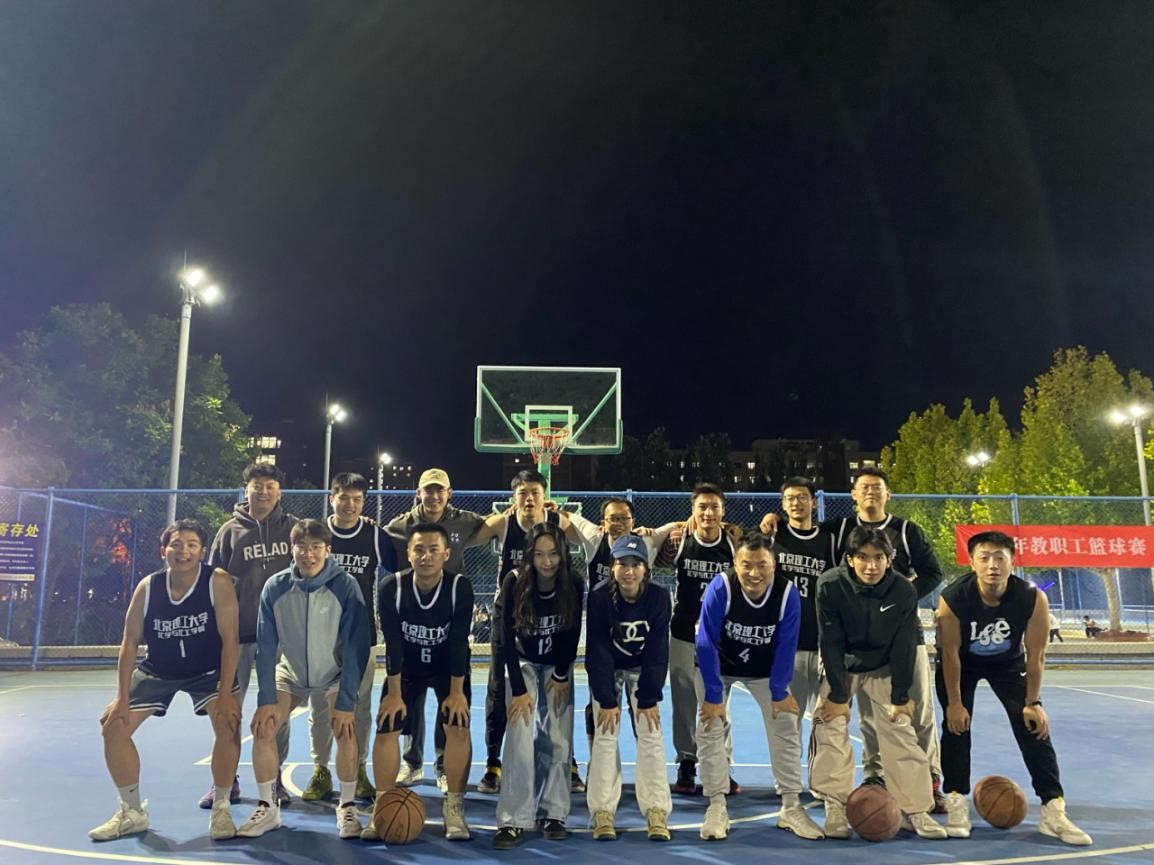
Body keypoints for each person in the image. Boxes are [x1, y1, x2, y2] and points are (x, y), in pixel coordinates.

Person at [89, 520, 242, 841]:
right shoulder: (148, 587)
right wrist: (121, 698)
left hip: (208, 670)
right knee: (113, 726)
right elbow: (129, 642)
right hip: (159, 669)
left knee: (228, 723)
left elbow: (231, 639)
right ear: (164, 551)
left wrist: (226, 694)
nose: (183, 551)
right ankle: (132, 812)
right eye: (176, 544)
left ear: (202, 551)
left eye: (191, 545)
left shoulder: (217, 581)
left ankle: (222, 808)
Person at [936, 531, 1092, 845]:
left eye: (1000, 557)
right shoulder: (953, 597)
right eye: (984, 558)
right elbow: (949, 654)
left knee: (1033, 726)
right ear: (972, 563)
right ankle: (955, 799)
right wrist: (954, 703)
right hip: (962, 664)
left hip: (1007, 664)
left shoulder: (1031, 598)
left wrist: (1034, 702)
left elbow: (1037, 654)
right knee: (956, 727)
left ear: (1012, 561)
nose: (992, 565)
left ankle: (1053, 807)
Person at [810, 527, 948, 840]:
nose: (870, 565)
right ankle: (835, 804)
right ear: (850, 559)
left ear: (890, 559)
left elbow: (903, 645)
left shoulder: (903, 590)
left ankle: (915, 809)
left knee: (899, 727)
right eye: (862, 557)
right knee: (829, 723)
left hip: (884, 663)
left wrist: (900, 697)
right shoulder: (830, 584)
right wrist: (838, 695)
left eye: (878, 558)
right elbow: (830, 640)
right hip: (843, 662)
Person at [235, 520, 370, 839]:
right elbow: (266, 647)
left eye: (316, 547)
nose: (308, 554)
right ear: (291, 549)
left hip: (333, 671)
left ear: (328, 550)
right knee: (264, 727)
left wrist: (346, 701)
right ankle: (268, 808)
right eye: (302, 547)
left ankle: (347, 805)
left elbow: (356, 646)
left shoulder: (346, 585)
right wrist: (266, 699)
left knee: (345, 728)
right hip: (292, 672)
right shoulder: (275, 586)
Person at [695, 531, 824, 841]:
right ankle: (716, 805)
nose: (754, 573)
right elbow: (706, 642)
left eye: (762, 565)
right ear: (735, 563)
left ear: (774, 565)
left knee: (786, 719)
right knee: (710, 723)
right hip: (719, 666)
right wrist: (713, 695)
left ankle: (790, 806)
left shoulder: (787, 593)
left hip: (764, 669)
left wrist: (779, 692)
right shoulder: (721, 587)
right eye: (747, 565)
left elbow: (786, 644)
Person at [469, 469, 583, 794]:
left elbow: (594, 537)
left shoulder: (559, 523)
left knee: (560, 688)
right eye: (523, 493)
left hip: (552, 613)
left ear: (545, 497)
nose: (529, 499)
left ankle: (566, 759)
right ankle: (494, 760)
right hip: (511, 616)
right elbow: (462, 536)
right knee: (498, 688)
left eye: (535, 492)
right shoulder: (502, 524)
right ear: (513, 497)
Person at [364, 523, 475, 841]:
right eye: (419, 550)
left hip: (446, 668)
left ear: (446, 554)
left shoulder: (459, 587)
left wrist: (456, 693)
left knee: (457, 724)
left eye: (433, 550)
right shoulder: (392, 587)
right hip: (407, 668)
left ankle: (454, 806)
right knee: (387, 723)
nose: (426, 556)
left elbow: (458, 642)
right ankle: (382, 804)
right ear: (409, 554)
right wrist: (393, 693)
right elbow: (393, 642)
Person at [385, 468, 489, 790]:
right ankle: (412, 762)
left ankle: (444, 766)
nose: (433, 496)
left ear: (449, 493)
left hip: (447, 617)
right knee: (408, 705)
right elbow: (375, 537)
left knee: (453, 708)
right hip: (413, 616)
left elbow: (493, 525)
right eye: (427, 490)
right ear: (418, 493)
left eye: (439, 490)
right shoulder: (401, 525)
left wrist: (522, 509)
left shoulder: (463, 521)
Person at [203, 462, 297, 809]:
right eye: (257, 486)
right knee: (228, 708)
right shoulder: (229, 531)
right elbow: (213, 582)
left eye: (270, 486)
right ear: (247, 490)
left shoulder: (293, 529)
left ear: (279, 492)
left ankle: (275, 777)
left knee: (277, 710)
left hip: (281, 636)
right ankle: (226, 780)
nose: (263, 492)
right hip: (237, 635)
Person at [300, 473, 397, 804]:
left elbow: (399, 571)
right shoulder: (316, 533)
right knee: (320, 706)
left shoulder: (374, 535)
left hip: (360, 634)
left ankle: (358, 766)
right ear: (332, 498)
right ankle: (321, 768)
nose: (350, 504)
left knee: (360, 706)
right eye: (344, 497)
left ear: (364, 502)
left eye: (357, 499)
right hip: (319, 634)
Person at [492, 523, 584, 849]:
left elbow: (572, 631)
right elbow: (504, 639)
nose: (547, 562)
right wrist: (518, 690)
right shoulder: (514, 581)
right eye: (540, 554)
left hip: (557, 665)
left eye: (554, 554)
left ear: (563, 554)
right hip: (523, 664)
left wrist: (560, 674)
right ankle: (513, 819)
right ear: (529, 555)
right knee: (519, 732)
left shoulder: (573, 582)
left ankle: (553, 812)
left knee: (557, 735)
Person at [585, 535, 673, 842]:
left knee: (650, 730)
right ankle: (602, 810)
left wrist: (648, 697)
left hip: (641, 666)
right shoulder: (599, 596)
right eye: (623, 563)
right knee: (606, 732)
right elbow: (597, 650)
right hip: (609, 667)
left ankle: (656, 809)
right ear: (612, 567)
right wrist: (607, 699)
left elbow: (658, 651)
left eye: (636, 564)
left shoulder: (659, 597)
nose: (629, 571)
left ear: (646, 569)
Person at [668, 483, 736, 795]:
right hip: (683, 632)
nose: (708, 513)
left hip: (721, 638)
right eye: (702, 507)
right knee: (684, 702)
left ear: (723, 511)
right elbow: (649, 550)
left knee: (718, 701)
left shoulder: (734, 543)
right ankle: (686, 761)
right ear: (693, 511)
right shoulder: (679, 540)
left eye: (714, 507)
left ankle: (721, 763)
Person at [763, 478, 837, 758]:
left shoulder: (828, 540)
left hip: (821, 643)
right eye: (790, 498)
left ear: (813, 502)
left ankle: (823, 779)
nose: (796, 503)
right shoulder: (772, 537)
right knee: (787, 720)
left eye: (802, 497)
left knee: (828, 722)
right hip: (787, 645)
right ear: (783, 504)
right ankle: (788, 778)